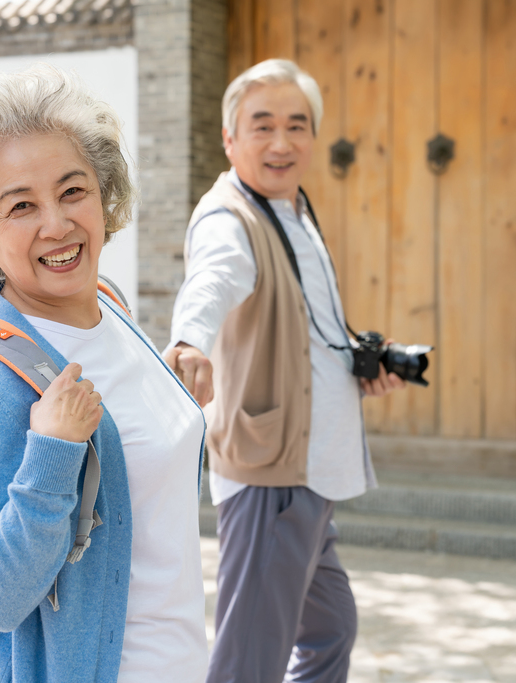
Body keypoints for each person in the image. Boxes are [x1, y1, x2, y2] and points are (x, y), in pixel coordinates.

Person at [0, 65, 208, 683]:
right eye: (21, 206)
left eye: (72, 191)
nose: (56, 223)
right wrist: (52, 453)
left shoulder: (111, 306)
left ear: (103, 195)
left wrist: (178, 394)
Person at [163, 59, 405, 683]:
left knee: (329, 630)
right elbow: (212, 280)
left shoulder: (294, 210)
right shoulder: (229, 217)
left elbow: (307, 323)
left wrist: (361, 361)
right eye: (262, 125)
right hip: (272, 477)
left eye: (297, 126)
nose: (281, 142)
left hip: (311, 473)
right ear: (230, 138)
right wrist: (190, 339)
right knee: (250, 660)